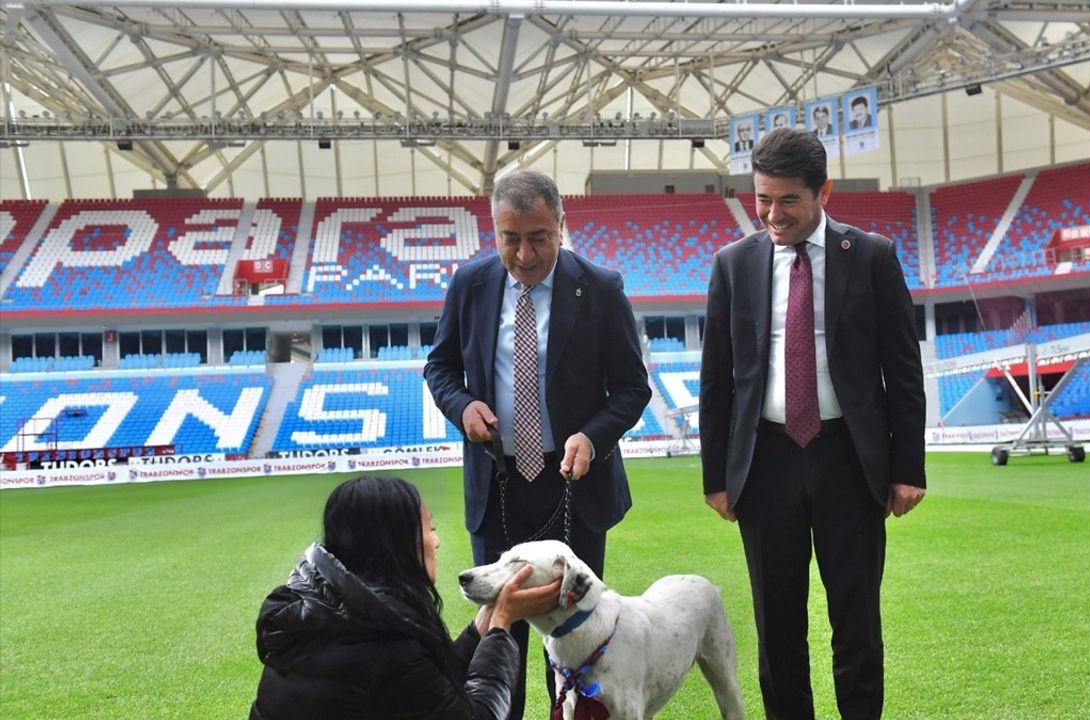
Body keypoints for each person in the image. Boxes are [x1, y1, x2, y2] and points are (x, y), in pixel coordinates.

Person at [699, 127, 926, 720]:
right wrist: (716, 478)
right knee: (777, 626)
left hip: (849, 460)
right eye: (762, 199)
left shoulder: (872, 256)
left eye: (788, 201)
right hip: (766, 463)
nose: (773, 214)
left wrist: (908, 468)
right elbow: (717, 380)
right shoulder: (732, 265)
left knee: (857, 619)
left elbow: (903, 370)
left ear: (824, 191)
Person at [424, 168, 651, 718]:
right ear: (494, 230)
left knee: (574, 638)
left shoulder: (600, 288)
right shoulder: (470, 284)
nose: (524, 254)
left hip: (574, 485)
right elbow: (440, 368)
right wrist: (463, 406)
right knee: (498, 631)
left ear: (561, 225)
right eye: (510, 238)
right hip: (496, 485)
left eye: (539, 237)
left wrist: (591, 438)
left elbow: (631, 388)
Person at [250, 475, 562, 720]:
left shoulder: (328, 612)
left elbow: (430, 688)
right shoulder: (384, 645)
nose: (436, 542)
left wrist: (482, 626)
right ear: (396, 544)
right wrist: (501, 625)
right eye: (430, 528)